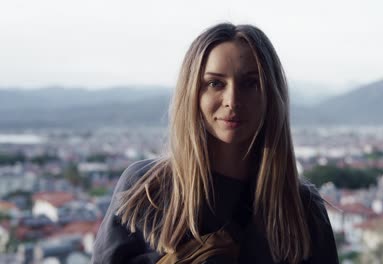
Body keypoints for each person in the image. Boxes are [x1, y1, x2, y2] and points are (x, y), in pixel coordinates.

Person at [92, 23, 339, 264]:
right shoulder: (146, 190)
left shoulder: (302, 209)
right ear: (192, 94)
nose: (232, 100)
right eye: (215, 83)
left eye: (250, 83)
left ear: (271, 96)